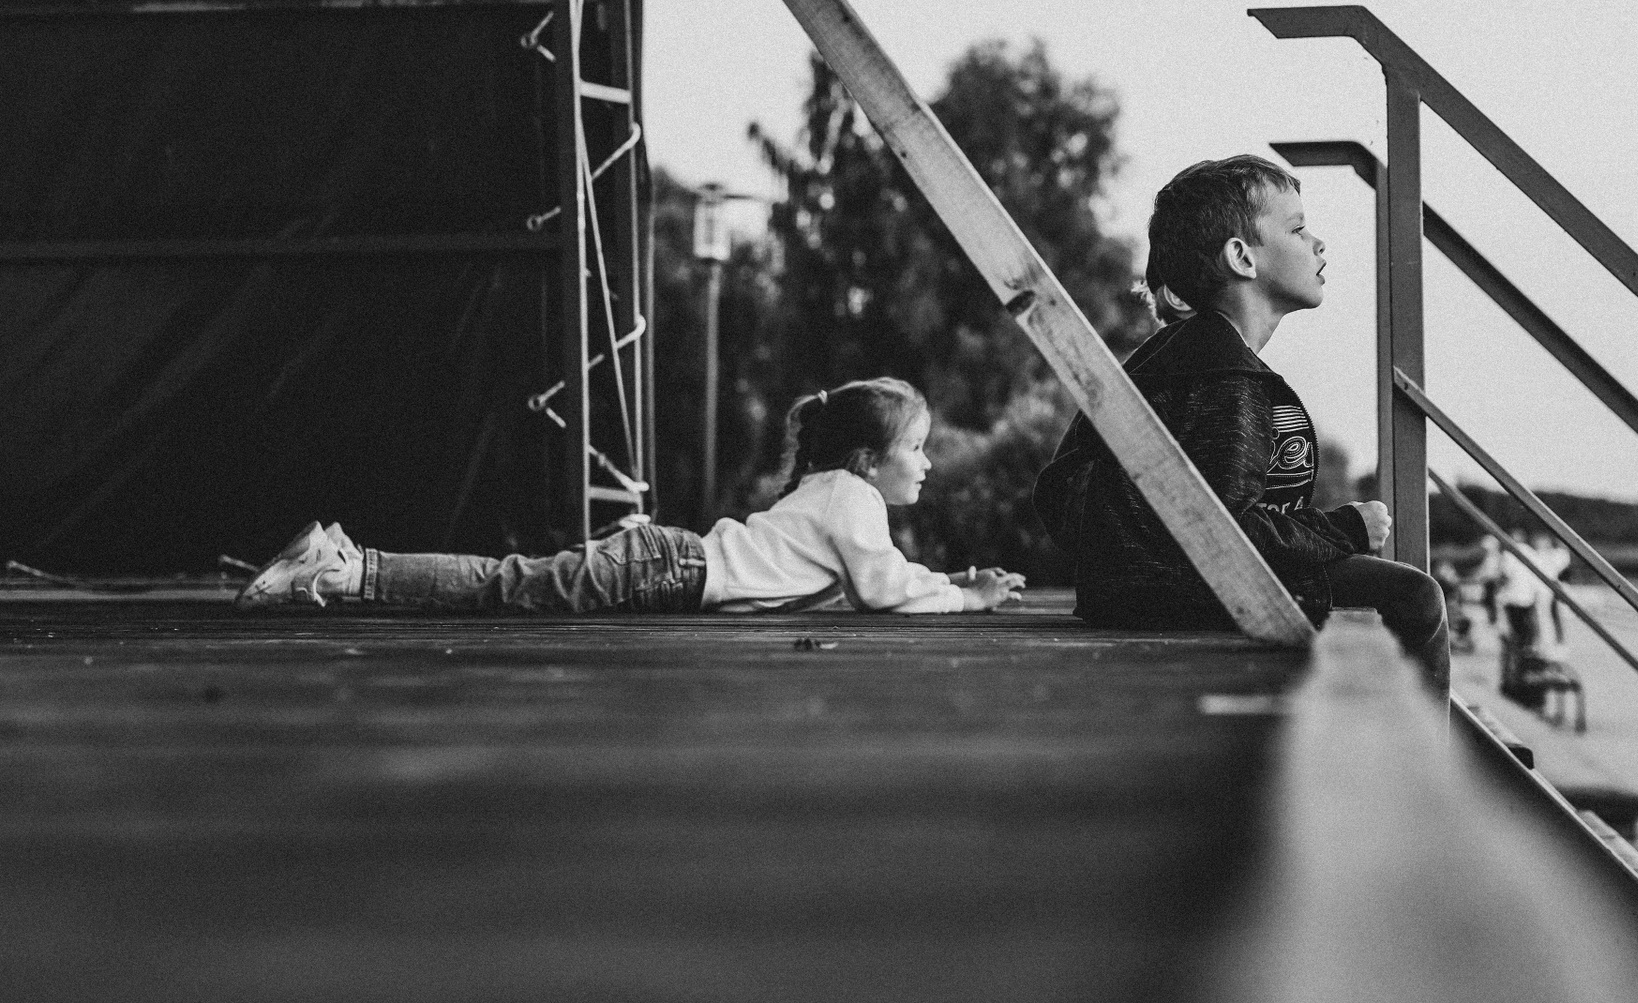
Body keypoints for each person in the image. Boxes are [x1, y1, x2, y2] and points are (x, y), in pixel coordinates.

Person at [1033, 155, 1449, 691]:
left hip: (1141, 593)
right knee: (1415, 597)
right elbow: (1225, 535)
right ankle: (1421, 748)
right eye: (1297, 229)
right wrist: (1346, 529)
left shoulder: (1179, 356)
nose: (1318, 243)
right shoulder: (1223, 377)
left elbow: (1068, 490)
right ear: (1242, 258)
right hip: (1181, 595)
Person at [236, 378, 1025, 616]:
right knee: (507, 585)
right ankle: (347, 570)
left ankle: (347, 564)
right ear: (868, 460)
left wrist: (944, 582)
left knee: (513, 581)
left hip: (666, 561)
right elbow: (882, 591)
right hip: (666, 567)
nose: (927, 463)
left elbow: (875, 580)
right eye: (916, 448)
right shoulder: (854, 500)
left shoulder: (835, 492)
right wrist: (969, 598)